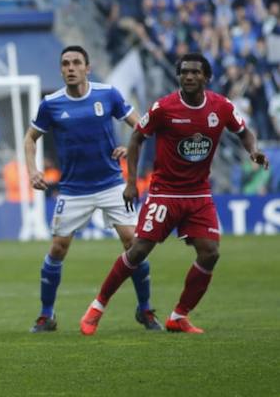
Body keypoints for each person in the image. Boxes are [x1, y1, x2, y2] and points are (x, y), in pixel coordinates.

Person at [80, 53, 268, 335]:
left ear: (206, 77)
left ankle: (179, 316)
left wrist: (253, 151)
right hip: (164, 193)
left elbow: (244, 132)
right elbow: (136, 138)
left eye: (195, 72)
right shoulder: (164, 107)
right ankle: (97, 306)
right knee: (138, 250)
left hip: (199, 194)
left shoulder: (221, 106)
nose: (189, 76)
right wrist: (131, 182)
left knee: (210, 253)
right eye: (184, 72)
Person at [24, 45, 159, 333]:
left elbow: (142, 127)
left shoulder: (107, 94)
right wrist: (33, 171)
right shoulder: (51, 104)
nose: (70, 68)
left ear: (87, 67)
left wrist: (131, 146)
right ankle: (46, 315)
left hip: (111, 184)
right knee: (58, 248)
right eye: (65, 64)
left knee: (133, 244)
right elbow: (30, 139)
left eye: (76, 63)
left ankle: (145, 309)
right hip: (73, 189)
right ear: (61, 70)